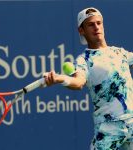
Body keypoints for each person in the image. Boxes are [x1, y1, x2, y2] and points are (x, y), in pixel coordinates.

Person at [44, 7, 133, 150]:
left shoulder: (120, 52)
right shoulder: (84, 60)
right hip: (109, 129)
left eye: (99, 23)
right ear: (81, 30)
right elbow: (78, 82)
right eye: (91, 24)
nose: (96, 27)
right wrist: (61, 79)